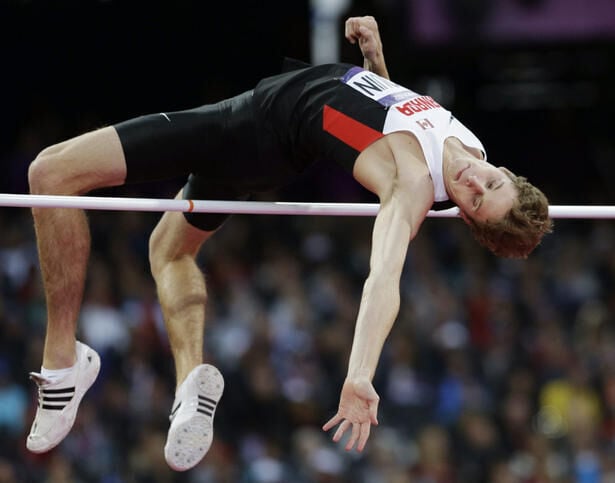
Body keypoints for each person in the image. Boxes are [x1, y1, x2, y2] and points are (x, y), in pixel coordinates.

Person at [25, 15, 552, 472]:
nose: (475, 182)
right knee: (169, 247)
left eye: (478, 199)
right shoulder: (471, 145)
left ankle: (63, 364)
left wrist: (359, 375)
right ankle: (189, 387)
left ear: (463, 215)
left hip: (247, 131)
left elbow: (383, 279)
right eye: (492, 182)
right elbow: (384, 124)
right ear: (502, 168)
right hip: (266, 133)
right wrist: (376, 60)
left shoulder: (411, 189)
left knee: (50, 173)